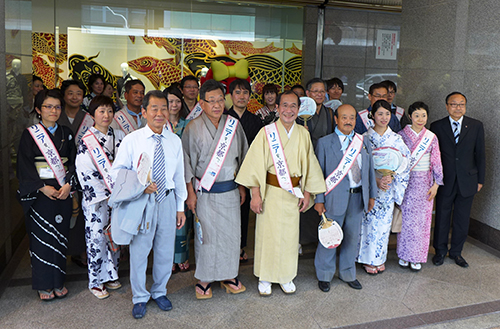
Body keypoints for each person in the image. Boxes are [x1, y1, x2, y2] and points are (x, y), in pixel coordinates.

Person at [235, 90, 326, 296]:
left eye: (293, 106)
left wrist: (308, 192)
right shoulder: (266, 132)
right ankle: (265, 276)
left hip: (293, 193)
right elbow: (255, 165)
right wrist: (256, 195)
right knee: (268, 236)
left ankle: (286, 276)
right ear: (277, 108)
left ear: (298, 109)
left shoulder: (303, 134)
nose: (288, 110)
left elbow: (309, 162)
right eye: (284, 105)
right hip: (271, 192)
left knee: (290, 237)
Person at [111, 90, 187, 319]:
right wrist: (140, 186)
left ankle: (160, 291)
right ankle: (140, 297)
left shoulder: (174, 140)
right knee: (140, 251)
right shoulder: (132, 140)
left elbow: (180, 175)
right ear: (144, 112)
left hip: (168, 200)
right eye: (154, 108)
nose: (160, 113)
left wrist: (180, 207)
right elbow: (117, 173)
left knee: (165, 250)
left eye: (164, 108)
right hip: (142, 202)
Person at [182, 79, 248, 299]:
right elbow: (186, 162)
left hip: (229, 190)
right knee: (207, 237)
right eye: (212, 101)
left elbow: (244, 157)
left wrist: (241, 186)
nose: (217, 105)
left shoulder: (233, 125)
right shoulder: (192, 128)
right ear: (202, 103)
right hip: (204, 192)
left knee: (231, 235)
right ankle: (205, 278)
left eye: (221, 99)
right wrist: (190, 193)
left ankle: (229, 275)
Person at [17, 89, 77, 301]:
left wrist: (68, 185)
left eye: (57, 107)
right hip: (41, 194)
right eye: (48, 107)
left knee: (60, 237)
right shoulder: (30, 134)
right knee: (42, 238)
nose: (53, 111)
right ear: (38, 110)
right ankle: (44, 285)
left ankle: (58, 282)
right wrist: (42, 187)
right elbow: (24, 165)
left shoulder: (66, 133)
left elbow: (74, 162)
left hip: (62, 191)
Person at [314, 104, 377, 292]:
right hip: (333, 199)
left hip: (358, 198)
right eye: (344, 117)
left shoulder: (363, 141)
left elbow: (369, 171)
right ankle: (324, 274)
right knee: (329, 236)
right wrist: (319, 200)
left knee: (352, 238)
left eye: (352, 117)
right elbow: (318, 174)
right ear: (336, 119)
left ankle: (348, 272)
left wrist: (371, 195)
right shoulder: (325, 143)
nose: (348, 121)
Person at [75, 96, 125, 299]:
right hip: (97, 198)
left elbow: (127, 164)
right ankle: (96, 280)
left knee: (114, 235)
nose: (106, 115)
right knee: (96, 236)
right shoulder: (86, 140)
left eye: (110, 111)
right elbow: (85, 170)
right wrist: (108, 188)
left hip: (118, 195)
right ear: (92, 114)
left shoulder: (120, 135)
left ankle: (112, 274)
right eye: (101, 111)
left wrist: (120, 188)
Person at [430, 92, 485, 268]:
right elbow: (433, 155)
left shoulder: (476, 125)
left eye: (461, 104)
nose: (458, 107)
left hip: (468, 180)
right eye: (454, 104)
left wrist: (481, 180)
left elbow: (481, 154)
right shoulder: (437, 126)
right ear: (447, 106)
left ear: (465, 106)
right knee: (442, 217)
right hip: (444, 180)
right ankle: (439, 251)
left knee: (462, 218)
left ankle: (456, 252)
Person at [357, 100, 410, 274]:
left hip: (388, 186)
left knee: (383, 225)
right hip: (370, 187)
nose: (384, 117)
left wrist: (392, 176)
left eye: (387, 114)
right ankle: (366, 259)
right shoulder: (364, 137)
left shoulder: (396, 138)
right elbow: (359, 164)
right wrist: (375, 179)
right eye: (380, 113)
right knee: (368, 224)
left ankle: (378, 258)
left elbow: (405, 162)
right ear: (372, 115)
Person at [397, 102, 443, 271]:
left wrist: (437, 184)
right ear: (410, 117)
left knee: (422, 222)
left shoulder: (431, 137)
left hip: (425, 183)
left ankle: (416, 257)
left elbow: (436, 161)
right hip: (407, 183)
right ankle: (403, 254)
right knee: (407, 220)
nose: (420, 119)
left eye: (423, 115)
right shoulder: (401, 135)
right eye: (417, 115)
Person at [225, 79, 264, 263]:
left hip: (247, 173)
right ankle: (227, 246)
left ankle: (240, 247)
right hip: (225, 173)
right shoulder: (223, 118)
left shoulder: (256, 121)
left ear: (250, 96)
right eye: (238, 93)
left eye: (245, 93)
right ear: (231, 96)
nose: (242, 96)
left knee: (243, 211)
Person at [163, 86, 191, 273]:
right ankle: (167, 259)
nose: (174, 105)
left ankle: (181, 256)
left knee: (182, 220)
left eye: (177, 101)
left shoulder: (188, 124)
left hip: (182, 176)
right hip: (162, 180)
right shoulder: (157, 124)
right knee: (165, 222)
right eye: (170, 101)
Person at [298, 78, 335, 148]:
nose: (319, 94)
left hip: (324, 153)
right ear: (308, 93)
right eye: (315, 91)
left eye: (322, 91)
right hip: (306, 152)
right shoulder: (300, 112)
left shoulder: (329, 112)